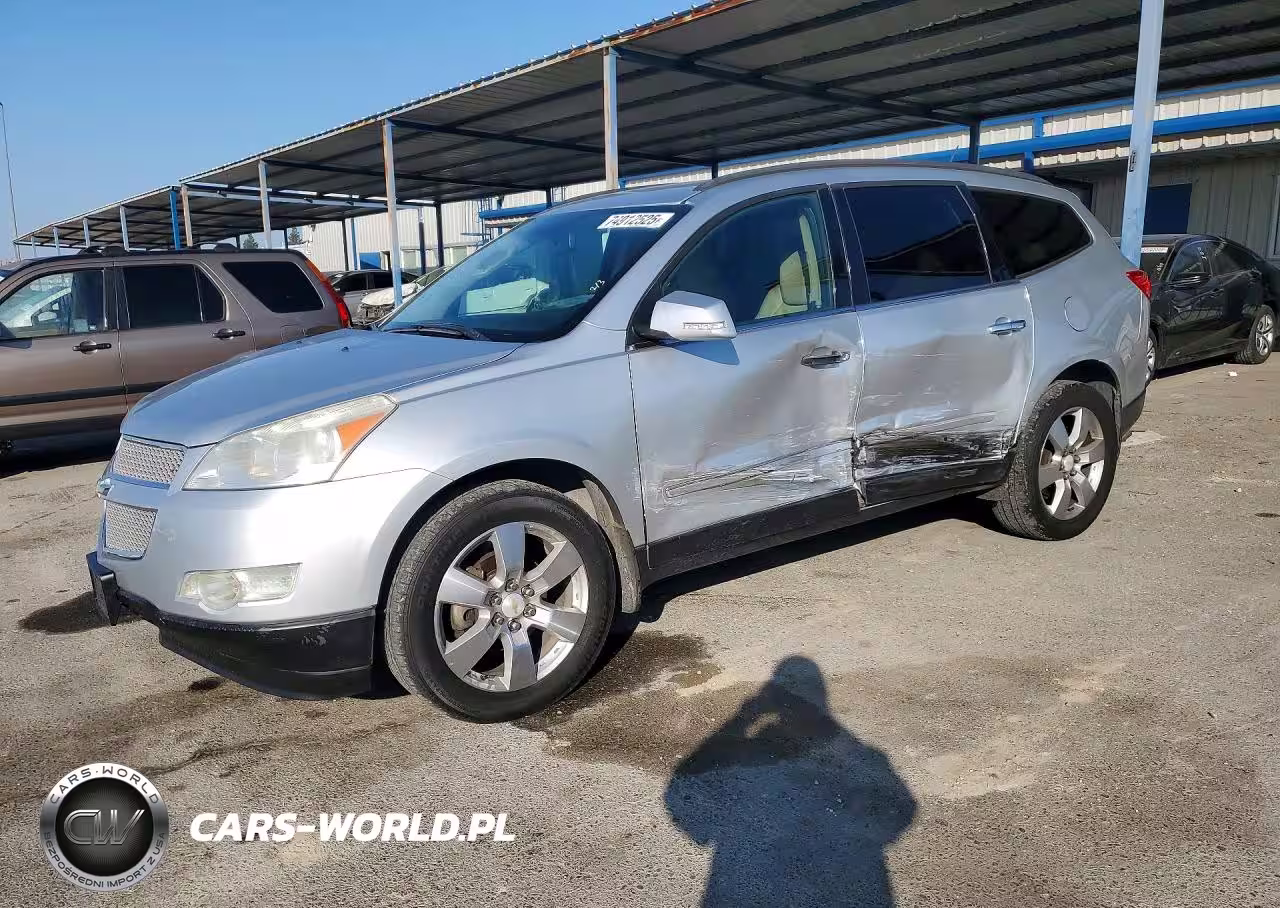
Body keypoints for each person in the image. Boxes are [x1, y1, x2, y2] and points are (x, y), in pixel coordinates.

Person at [665, 656, 917, 907]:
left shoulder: (746, 759)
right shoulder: (861, 757)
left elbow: (683, 792)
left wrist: (741, 719)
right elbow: (900, 809)